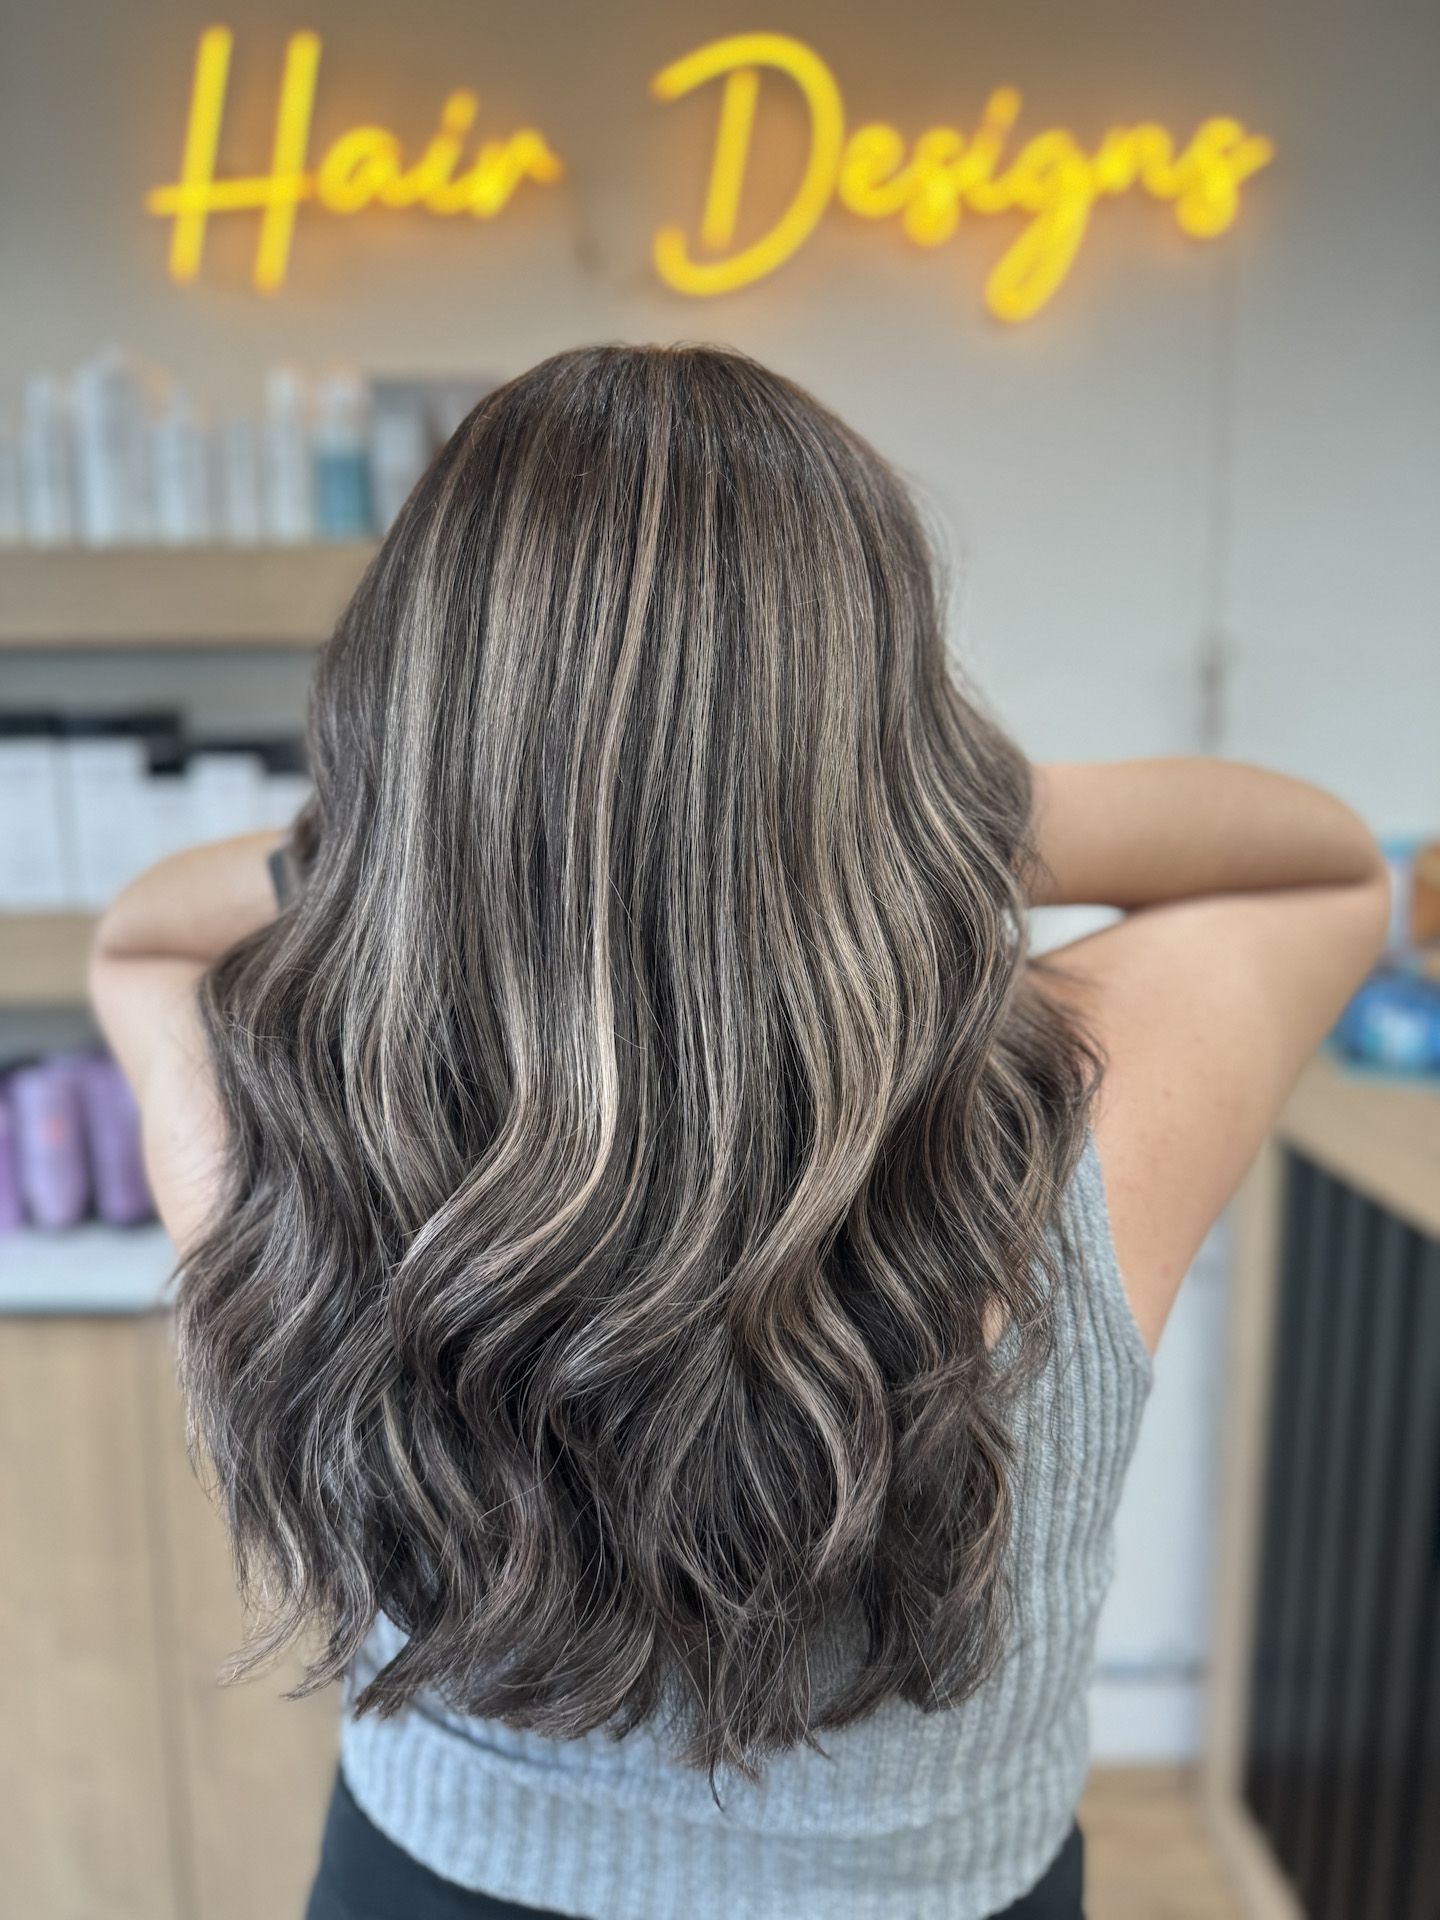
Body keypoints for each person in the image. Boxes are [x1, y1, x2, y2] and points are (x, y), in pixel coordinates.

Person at [89, 343, 1391, 1920]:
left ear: (410, 715)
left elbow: (143, 936)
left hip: (425, 1882)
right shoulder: (1077, 1108)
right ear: (886, 709)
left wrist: (413, 841)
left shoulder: (310, 1126)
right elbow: (1326, 863)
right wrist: (923, 815)